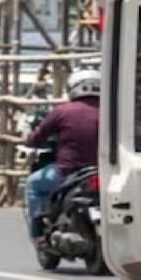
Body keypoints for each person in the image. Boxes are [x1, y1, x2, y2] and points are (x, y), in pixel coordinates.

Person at [24, 67, 100, 242]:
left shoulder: (63, 111)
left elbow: (38, 136)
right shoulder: (112, 112)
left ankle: (38, 233)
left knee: (33, 185)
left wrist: (29, 140)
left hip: (69, 172)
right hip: (104, 171)